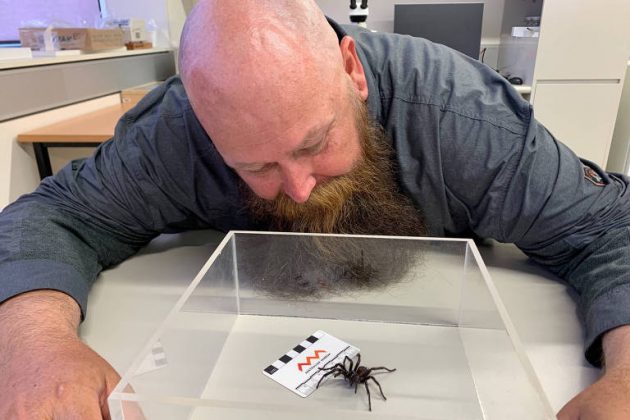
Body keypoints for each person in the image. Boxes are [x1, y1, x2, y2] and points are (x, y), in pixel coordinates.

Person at [1, 0, 629, 418]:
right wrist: (35, 346)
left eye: (314, 144)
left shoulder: (464, 123)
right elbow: (56, 215)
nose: (297, 187)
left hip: (447, 342)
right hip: (238, 360)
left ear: (351, 71)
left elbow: (608, 229)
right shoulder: (175, 134)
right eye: (255, 166)